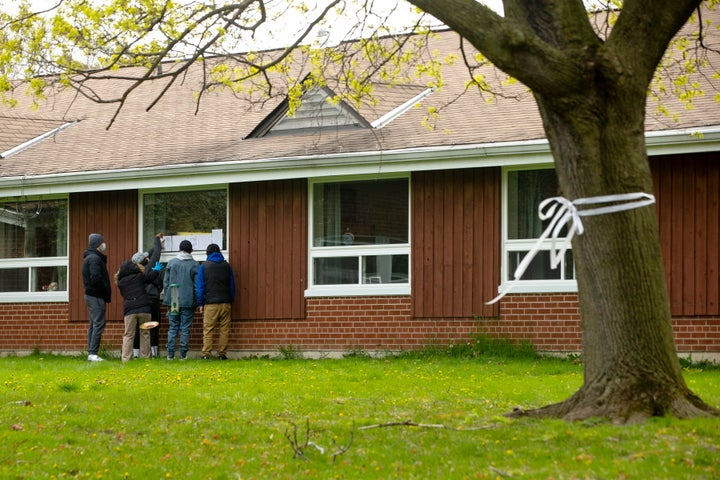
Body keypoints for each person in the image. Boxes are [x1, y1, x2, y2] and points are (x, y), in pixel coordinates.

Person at [115, 249, 162, 362]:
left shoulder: (120, 283)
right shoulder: (140, 276)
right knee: (145, 333)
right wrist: (156, 269)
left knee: (128, 335)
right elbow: (150, 277)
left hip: (130, 310)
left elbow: (124, 295)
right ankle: (145, 357)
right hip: (144, 308)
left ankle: (125, 359)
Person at [196, 243, 236, 360]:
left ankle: (206, 354)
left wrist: (201, 303)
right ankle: (222, 354)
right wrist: (231, 300)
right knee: (224, 329)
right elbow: (232, 285)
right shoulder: (227, 266)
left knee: (208, 329)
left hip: (210, 303)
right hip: (225, 302)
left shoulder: (204, 266)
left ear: (207, 253)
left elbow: (200, 287)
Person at [163, 239, 198, 360]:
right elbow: (196, 285)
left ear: (179, 249)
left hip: (173, 296)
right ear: (191, 250)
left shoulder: (172, 262)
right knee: (185, 328)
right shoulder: (194, 264)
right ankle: (183, 355)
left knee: (173, 327)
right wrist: (196, 300)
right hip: (188, 298)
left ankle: (170, 354)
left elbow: (166, 282)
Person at [133, 234, 165, 358]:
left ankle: (136, 354)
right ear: (146, 260)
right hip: (153, 300)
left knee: (138, 328)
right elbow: (158, 281)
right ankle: (154, 352)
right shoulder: (151, 270)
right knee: (154, 326)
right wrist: (158, 243)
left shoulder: (135, 272)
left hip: (140, 302)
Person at [82, 233, 111, 362]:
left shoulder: (91, 257)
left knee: (94, 324)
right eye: (102, 242)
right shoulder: (94, 258)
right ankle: (93, 353)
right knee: (98, 323)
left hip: (92, 295)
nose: (104, 244)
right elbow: (96, 278)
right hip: (96, 295)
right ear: (98, 244)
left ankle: (91, 353)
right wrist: (104, 288)